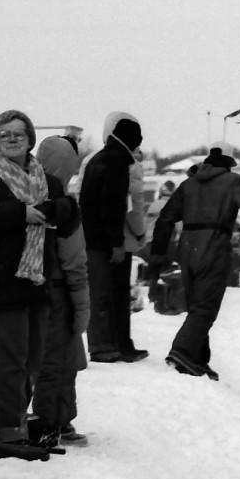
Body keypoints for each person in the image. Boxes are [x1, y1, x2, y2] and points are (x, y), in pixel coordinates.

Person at [0, 110, 74, 446]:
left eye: (17, 134)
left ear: (29, 139)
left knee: (32, 361)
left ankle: (18, 422)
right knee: (9, 363)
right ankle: (7, 432)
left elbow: (68, 220)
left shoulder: (47, 182)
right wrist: (19, 212)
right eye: (4, 134)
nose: (10, 139)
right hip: (0, 285)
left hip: (36, 283)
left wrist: (60, 210)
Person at [150, 143, 240, 380]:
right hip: (214, 244)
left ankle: (198, 359)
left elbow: (165, 218)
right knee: (206, 306)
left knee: (196, 302)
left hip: (187, 246)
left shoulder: (188, 184)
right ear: (229, 163)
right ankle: (181, 351)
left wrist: (158, 253)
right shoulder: (232, 182)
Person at [79, 111, 148, 363]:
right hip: (106, 241)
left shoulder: (96, 159)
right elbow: (117, 206)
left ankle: (108, 344)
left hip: (90, 238)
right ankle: (105, 347)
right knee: (109, 294)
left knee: (101, 293)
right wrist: (118, 243)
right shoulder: (120, 162)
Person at [33, 136, 90, 446]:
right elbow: (74, 260)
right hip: (59, 289)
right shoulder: (63, 204)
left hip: (38, 288)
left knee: (59, 358)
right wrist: (82, 304)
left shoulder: (28, 193)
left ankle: (59, 420)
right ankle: (49, 424)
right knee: (57, 360)